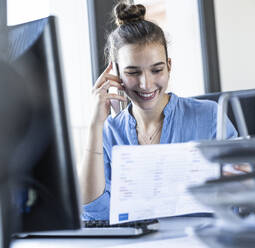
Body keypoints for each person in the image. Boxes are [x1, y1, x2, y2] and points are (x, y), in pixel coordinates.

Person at [79, 2, 237, 221]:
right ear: (115, 72)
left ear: (169, 66)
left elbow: (240, 199)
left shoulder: (209, 117)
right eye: (133, 72)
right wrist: (95, 125)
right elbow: (94, 213)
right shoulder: (110, 132)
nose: (146, 84)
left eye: (157, 70)